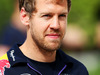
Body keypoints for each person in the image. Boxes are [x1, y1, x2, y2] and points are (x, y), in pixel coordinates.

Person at [0, 0, 88, 75]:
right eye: (47, 16)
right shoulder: (4, 70)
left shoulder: (78, 70)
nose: (56, 25)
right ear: (25, 16)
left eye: (62, 16)